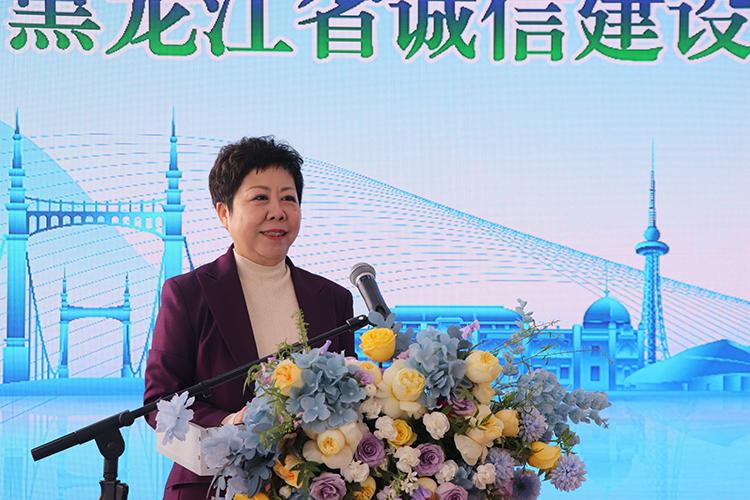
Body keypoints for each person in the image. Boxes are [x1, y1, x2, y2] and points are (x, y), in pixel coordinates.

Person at [144, 137, 355, 500]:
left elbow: (349, 398)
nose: (278, 212)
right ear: (223, 213)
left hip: (313, 488)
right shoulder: (188, 294)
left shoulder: (333, 299)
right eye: (260, 198)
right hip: (213, 488)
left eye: (288, 198)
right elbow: (160, 400)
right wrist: (229, 424)